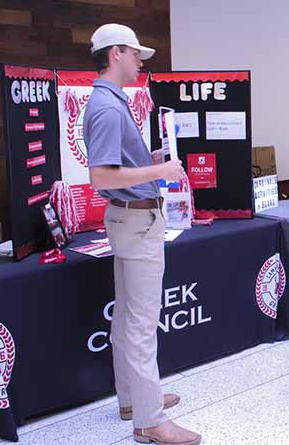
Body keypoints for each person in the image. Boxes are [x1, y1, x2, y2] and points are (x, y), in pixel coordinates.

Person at [83, 24, 201, 445]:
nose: (140, 61)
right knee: (141, 324)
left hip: (131, 220)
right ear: (116, 53)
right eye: (135, 54)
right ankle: (149, 420)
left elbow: (114, 167)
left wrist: (147, 159)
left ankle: (133, 399)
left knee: (130, 318)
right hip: (136, 222)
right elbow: (101, 176)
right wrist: (160, 170)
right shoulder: (109, 107)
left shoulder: (108, 102)